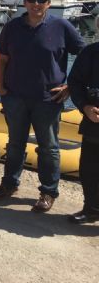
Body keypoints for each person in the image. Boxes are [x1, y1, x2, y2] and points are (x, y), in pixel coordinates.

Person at [0, 0, 85, 212]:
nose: (36, 4)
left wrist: (70, 87)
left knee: (49, 147)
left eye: (41, 0)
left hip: (48, 100)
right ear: (25, 1)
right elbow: (2, 59)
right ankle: (9, 183)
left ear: (49, 3)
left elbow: (85, 56)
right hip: (15, 97)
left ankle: (48, 191)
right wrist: (1, 89)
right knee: (15, 144)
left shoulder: (61, 26)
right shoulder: (12, 27)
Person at [68, 20, 99, 224]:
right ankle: (92, 209)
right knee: (89, 169)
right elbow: (75, 82)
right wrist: (85, 107)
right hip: (93, 123)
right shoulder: (90, 53)